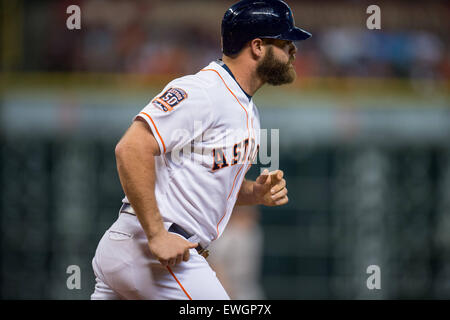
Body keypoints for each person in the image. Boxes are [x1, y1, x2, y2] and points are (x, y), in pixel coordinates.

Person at [91, 0, 311, 300]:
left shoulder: (244, 106)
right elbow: (131, 148)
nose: (293, 50)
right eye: (285, 42)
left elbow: (201, 185)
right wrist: (156, 235)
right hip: (157, 249)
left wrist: (253, 193)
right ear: (258, 47)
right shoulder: (205, 91)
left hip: (136, 248)